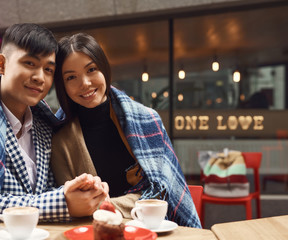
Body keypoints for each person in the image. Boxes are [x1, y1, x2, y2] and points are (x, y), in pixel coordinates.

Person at [0, 24, 108, 239]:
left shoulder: (45, 123)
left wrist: (78, 191)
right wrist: (62, 202)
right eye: (29, 63)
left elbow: (43, 191)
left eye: (48, 69)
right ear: (1, 64)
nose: (40, 77)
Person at [51, 33, 201, 228]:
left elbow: (163, 193)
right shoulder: (59, 139)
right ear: (62, 85)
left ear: (103, 68)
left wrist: (104, 207)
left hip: (153, 230)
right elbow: (73, 206)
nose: (85, 83)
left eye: (91, 70)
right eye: (71, 77)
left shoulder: (148, 121)